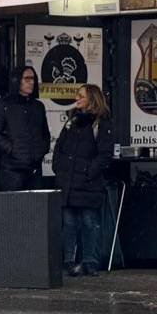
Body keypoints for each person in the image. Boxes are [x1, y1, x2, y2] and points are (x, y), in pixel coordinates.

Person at [53, 85, 114, 277]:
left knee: (89, 222)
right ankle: (69, 262)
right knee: (69, 224)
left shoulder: (100, 123)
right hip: (69, 182)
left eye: (81, 96)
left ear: (92, 99)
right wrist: (60, 169)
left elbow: (105, 155)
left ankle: (90, 262)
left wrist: (88, 172)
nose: (77, 98)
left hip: (88, 184)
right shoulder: (72, 121)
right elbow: (59, 148)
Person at [0, 66, 51, 191]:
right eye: (27, 78)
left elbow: (45, 133)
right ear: (17, 80)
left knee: (35, 207)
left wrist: (41, 150)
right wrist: (12, 149)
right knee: (14, 207)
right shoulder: (3, 104)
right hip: (12, 169)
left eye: (33, 79)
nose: (31, 82)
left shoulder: (38, 106)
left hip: (35, 167)